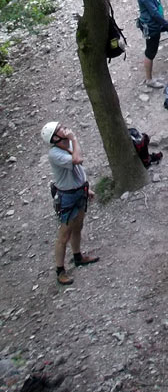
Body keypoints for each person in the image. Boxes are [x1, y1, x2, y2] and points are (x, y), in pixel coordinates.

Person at [42, 121, 98, 286]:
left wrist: (85, 189)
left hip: (78, 192)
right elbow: (78, 160)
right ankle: (60, 271)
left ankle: (78, 256)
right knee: (64, 235)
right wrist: (73, 138)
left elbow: (77, 170)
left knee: (78, 226)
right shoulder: (55, 154)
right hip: (67, 197)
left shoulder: (67, 146)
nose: (64, 129)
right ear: (54, 138)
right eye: (59, 129)